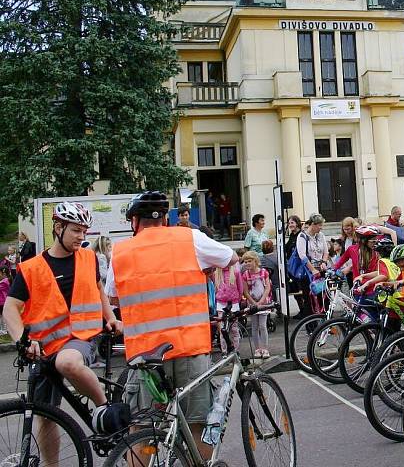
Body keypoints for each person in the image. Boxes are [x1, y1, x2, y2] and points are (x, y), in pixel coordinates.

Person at [106, 191, 238, 461]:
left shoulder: (121, 251)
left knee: (141, 427)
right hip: (189, 349)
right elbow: (231, 258)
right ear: (165, 218)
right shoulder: (190, 238)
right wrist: (204, 269)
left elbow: (113, 296)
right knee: (196, 423)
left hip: (146, 356)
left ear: (134, 221)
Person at [4, 201, 126, 459]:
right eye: (76, 231)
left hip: (82, 338)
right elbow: (10, 309)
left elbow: (98, 289)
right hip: (43, 349)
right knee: (45, 416)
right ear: (58, 228)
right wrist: (22, 341)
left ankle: (105, 408)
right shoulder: (31, 268)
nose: (81, 237)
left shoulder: (88, 257)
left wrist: (111, 317)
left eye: (84, 231)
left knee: (68, 362)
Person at [295, 213, 329, 316]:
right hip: (308, 273)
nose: (321, 228)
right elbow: (302, 256)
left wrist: (323, 262)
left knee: (323, 298)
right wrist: (313, 269)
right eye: (319, 225)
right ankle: (311, 327)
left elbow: (326, 251)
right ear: (313, 224)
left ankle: (325, 324)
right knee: (310, 299)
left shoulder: (321, 235)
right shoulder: (302, 236)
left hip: (321, 271)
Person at [242, 251, 272, 358]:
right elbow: (245, 291)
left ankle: (265, 348)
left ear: (256, 261)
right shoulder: (245, 275)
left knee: (263, 326)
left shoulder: (264, 272)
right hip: (252, 303)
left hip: (263, 303)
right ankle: (257, 349)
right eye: (245, 262)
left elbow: (267, 287)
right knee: (254, 326)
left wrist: (261, 301)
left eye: (249, 261)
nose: (247, 263)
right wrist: (254, 303)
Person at [214, 252, 244, 354]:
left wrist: (238, 300)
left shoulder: (235, 272)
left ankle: (235, 351)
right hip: (221, 304)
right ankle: (225, 351)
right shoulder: (216, 274)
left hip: (233, 304)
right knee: (223, 330)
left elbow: (240, 288)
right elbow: (215, 289)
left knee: (234, 329)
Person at [0, 266, 10, 334]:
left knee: (3, 316)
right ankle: (3, 329)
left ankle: (4, 330)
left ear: (3, 273)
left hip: (2, 301)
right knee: (2, 316)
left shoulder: (5, 281)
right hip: (2, 301)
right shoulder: (4, 280)